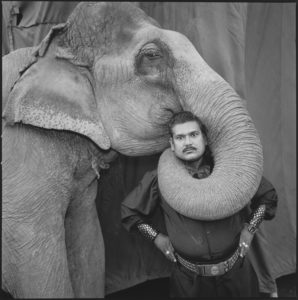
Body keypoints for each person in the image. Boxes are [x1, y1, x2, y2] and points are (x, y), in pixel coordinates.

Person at [121, 111, 278, 298]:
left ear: (205, 139)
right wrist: (157, 238)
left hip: (237, 276)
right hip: (189, 283)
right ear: (172, 144)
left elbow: (267, 196)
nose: (187, 142)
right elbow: (130, 212)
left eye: (193, 135)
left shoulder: (231, 168)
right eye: (180, 137)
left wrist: (250, 228)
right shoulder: (161, 178)